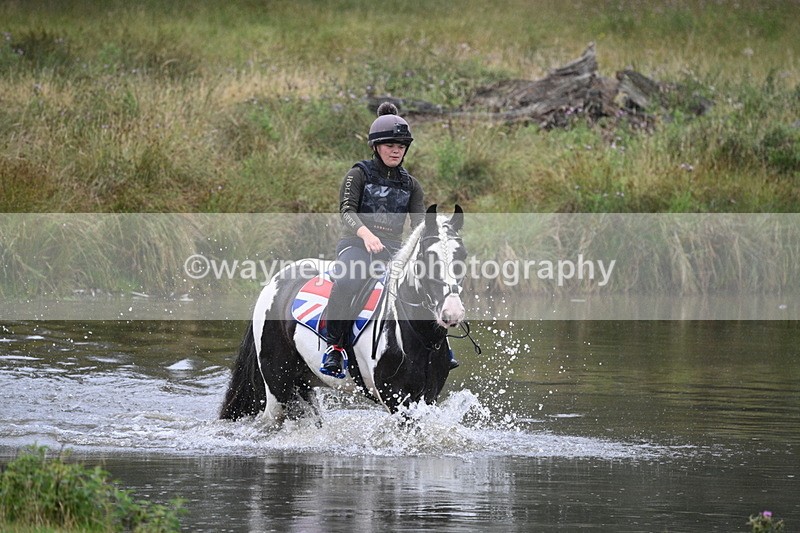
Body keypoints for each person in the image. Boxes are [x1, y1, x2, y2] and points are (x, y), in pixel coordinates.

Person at [320, 102, 458, 378]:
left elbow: (419, 226)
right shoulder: (358, 174)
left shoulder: (412, 185)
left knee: (425, 283)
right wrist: (366, 234)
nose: (396, 150)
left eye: (401, 146)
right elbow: (347, 212)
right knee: (347, 282)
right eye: (390, 145)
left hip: (395, 250)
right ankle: (334, 347)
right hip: (356, 244)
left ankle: (440, 345)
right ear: (376, 147)